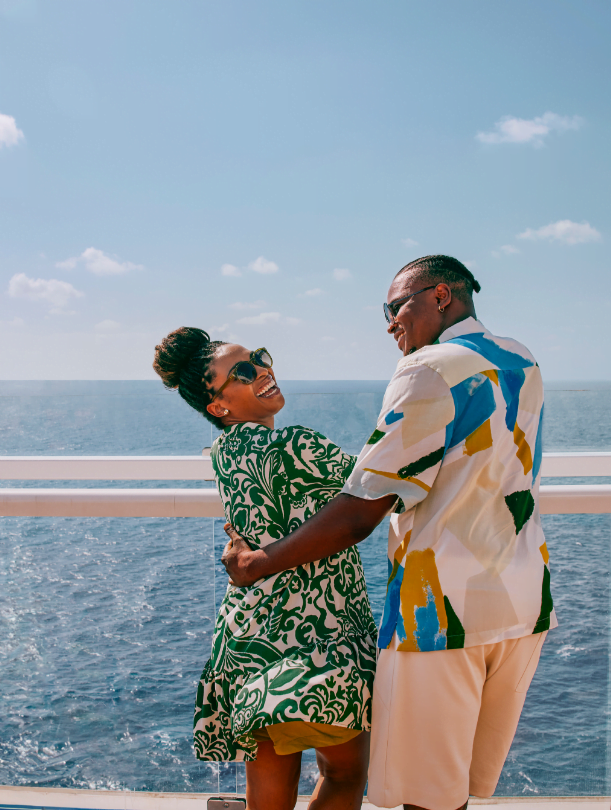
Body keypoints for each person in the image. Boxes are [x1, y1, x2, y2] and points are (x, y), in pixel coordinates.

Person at [223, 255, 557, 810]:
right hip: (522, 602)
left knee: (430, 800)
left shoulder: (429, 367)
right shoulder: (520, 358)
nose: (389, 323)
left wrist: (259, 563)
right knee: (458, 790)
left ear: (441, 296)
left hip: (443, 614)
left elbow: (361, 508)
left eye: (395, 307)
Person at [152, 329, 378, 810]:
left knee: (268, 802)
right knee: (344, 774)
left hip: (252, 640)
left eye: (259, 359)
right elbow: (380, 487)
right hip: (322, 634)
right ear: (218, 406)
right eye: (243, 372)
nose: (262, 370)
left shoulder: (222, 454)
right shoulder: (298, 446)